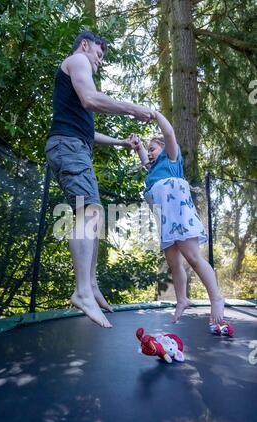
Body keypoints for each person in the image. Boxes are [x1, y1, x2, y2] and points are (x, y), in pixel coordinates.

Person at [45, 31, 156, 328]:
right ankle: (82, 291)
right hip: (68, 148)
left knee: (93, 213)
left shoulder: (77, 73)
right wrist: (133, 108)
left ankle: (91, 285)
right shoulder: (78, 59)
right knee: (89, 212)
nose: (98, 60)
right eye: (99, 53)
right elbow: (91, 99)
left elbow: (87, 132)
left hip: (73, 145)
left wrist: (122, 142)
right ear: (84, 45)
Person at [129, 110, 225, 325]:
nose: (150, 154)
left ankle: (216, 298)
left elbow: (169, 133)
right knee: (173, 262)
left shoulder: (172, 159)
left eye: (153, 149)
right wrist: (139, 147)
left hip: (179, 216)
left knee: (193, 257)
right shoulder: (154, 171)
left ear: (164, 149)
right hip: (165, 220)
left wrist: (154, 115)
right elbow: (146, 160)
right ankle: (182, 299)